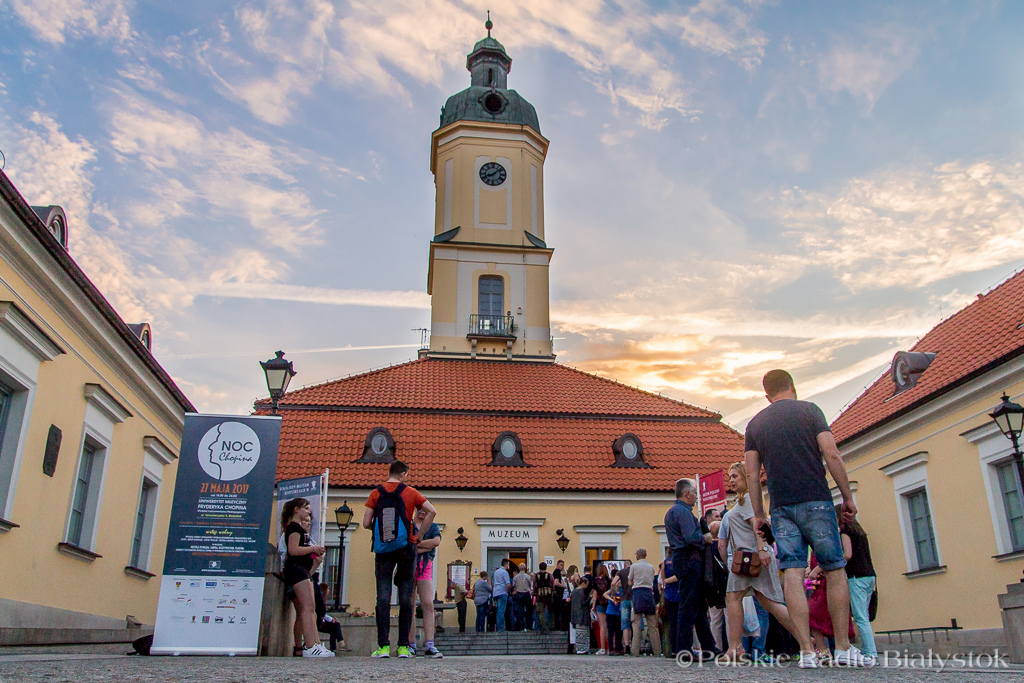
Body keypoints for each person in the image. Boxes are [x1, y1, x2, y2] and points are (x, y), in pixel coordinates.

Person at [744, 369, 869, 668]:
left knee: (793, 573)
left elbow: (751, 473)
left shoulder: (755, 424)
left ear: (767, 395)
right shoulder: (810, 411)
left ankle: (808, 652)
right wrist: (847, 496)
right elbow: (831, 454)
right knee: (834, 569)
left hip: (782, 507)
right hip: (817, 501)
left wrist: (759, 515)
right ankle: (843, 647)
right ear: (792, 386)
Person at [719, 462, 800, 663]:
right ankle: (805, 640)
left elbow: (757, 525)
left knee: (752, 600)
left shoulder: (747, 499)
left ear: (745, 477)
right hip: (748, 557)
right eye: (730, 477)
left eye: (735, 476)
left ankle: (736, 647)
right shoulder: (744, 500)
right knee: (762, 601)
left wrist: (762, 549)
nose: (731, 480)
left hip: (752, 557)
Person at [363, 460, 436, 659]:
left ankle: (384, 647)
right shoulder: (411, 492)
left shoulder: (376, 493)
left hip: (384, 549)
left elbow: (366, 522)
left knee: (383, 596)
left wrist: (383, 530)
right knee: (405, 597)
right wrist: (420, 535)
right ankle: (404, 646)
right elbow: (432, 511)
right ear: (403, 474)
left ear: (390, 472)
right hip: (406, 547)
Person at [665, 478, 718, 660]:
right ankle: (684, 649)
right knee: (688, 605)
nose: (696, 497)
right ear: (687, 493)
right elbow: (690, 537)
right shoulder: (683, 512)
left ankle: (709, 646)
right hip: (689, 558)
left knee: (698, 605)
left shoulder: (673, 512)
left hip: (682, 558)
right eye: (695, 493)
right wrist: (705, 538)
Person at [281, 497, 334, 657]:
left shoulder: (299, 529)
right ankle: (310, 645)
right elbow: (293, 550)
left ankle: (315, 643)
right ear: (296, 509)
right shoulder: (294, 527)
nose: (308, 512)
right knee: (306, 607)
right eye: (305, 508)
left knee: (311, 608)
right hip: (296, 570)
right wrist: (312, 549)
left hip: (302, 570)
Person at [838, 504, 877, 664]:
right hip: (869, 576)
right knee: (864, 616)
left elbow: (847, 554)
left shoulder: (846, 532)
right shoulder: (860, 532)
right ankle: (868, 651)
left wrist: (835, 562)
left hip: (857, 576)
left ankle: (871, 653)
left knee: (860, 617)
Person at [407, 508, 443, 657]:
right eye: (420, 509)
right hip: (408, 566)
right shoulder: (409, 526)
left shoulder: (432, 526)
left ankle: (429, 644)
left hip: (424, 566)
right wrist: (424, 546)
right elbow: (405, 545)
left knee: (428, 604)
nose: (423, 512)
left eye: (426, 510)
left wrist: (415, 546)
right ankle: (410, 644)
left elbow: (436, 542)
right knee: (409, 606)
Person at [628, 548, 662, 657]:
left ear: (638, 555)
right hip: (648, 593)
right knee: (652, 625)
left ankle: (635, 651)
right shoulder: (651, 567)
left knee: (636, 624)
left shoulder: (634, 566)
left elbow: (630, 581)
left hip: (638, 593)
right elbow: (652, 580)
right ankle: (657, 651)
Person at [660, 558, 679, 656]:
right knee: (681, 623)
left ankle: (673, 650)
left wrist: (666, 581)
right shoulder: (680, 559)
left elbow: (662, 578)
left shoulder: (664, 562)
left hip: (669, 594)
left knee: (672, 624)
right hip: (680, 592)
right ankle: (682, 648)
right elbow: (680, 575)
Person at [592, 564, 611, 654]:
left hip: (600, 604)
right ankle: (610, 648)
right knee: (609, 626)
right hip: (609, 604)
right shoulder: (609, 580)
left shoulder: (596, 580)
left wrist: (593, 606)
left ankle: (602, 648)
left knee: (602, 626)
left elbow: (595, 595)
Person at [570, 575, 591, 654]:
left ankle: (578, 648)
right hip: (582, 614)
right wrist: (590, 597)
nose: (587, 586)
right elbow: (583, 603)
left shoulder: (574, 591)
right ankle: (583, 649)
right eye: (586, 584)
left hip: (575, 614)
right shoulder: (581, 591)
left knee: (578, 632)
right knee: (583, 632)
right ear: (583, 583)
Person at [491, 559, 512, 632]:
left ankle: (498, 627)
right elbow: (508, 584)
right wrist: (509, 591)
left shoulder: (496, 572)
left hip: (495, 593)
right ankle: (501, 628)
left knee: (498, 611)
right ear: (506, 564)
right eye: (508, 565)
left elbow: (493, 582)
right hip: (502, 592)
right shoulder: (505, 572)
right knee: (501, 611)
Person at [533, 561, 554, 633]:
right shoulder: (550, 575)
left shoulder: (536, 576)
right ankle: (550, 626)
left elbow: (534, 585)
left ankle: (542, 627)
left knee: (541, 612)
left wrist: (535, 593)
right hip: (548, 595)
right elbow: (552, 584)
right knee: (549, 611)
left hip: (540, 595)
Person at [512, 562, 533, 631]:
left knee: (520, 611)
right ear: (525, 568)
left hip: (518, 594)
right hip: (526, 594)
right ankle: (528, 627)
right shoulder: (528, 577)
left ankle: (520, 627)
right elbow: (531, 586)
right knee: (529, 611)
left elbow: (514, 586)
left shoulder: (515, 577)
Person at [617, 559, 632, 653]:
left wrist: (614, 595)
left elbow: (613, 582)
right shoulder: (635, 570)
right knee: (635, 623)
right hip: (634, 599)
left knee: (625, 624)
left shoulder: (621, 572)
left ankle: (627, 646)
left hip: (624, 599)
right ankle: (635, 645)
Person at [552, 559, 567, 630]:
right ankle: (557, 626)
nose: (562, 567)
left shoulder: (557, 572)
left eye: (563, 565)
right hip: (557, 594)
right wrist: (564, 586)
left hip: (557, 594)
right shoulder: (557, 572)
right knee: (558, 610)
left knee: (557, 611)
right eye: (561, 565)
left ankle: (557, 625)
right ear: (557, 565)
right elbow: (556, 583)